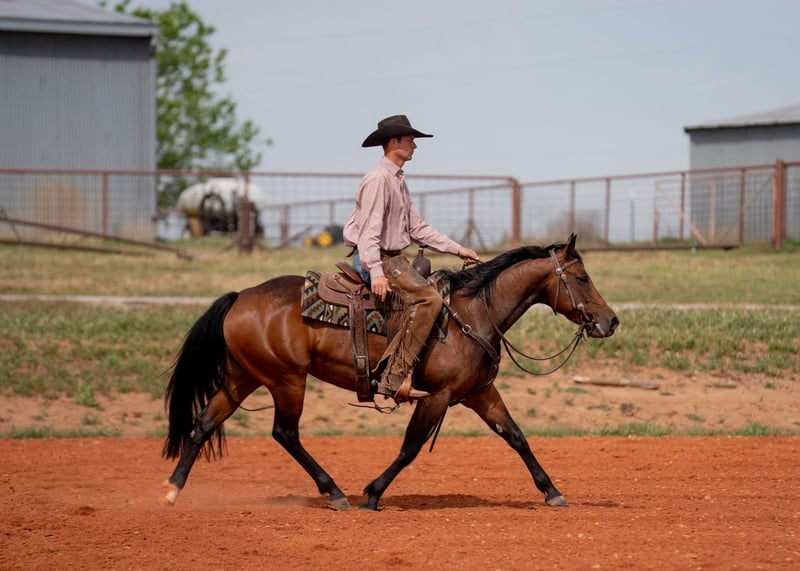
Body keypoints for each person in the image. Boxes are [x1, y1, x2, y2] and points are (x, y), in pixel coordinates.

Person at [343, 115, 480, 403]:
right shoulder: (379, 179)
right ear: (394, 142)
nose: (414, 146)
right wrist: (376, 272)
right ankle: (394, 378)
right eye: (410, 140)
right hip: (377, 258)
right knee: (429, 299)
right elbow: (369, 232)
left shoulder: (397, 180)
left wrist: (457, 249)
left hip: (391, 258)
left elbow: (417, 228)